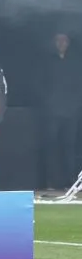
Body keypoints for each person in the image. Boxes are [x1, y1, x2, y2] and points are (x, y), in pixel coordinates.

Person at [40, 33, 82, 192]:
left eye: (64, 40)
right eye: (58, 40)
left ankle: (70, 182)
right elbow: (39, 84)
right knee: (50, 147)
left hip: (71, 113)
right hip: (52, 113)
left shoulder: (75, 62)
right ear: (54, 42)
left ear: (68, 43)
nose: (61, 43)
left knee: (69, 147)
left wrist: (75, 105)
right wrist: (48, 103)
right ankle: (50, 182)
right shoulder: (47, 62)